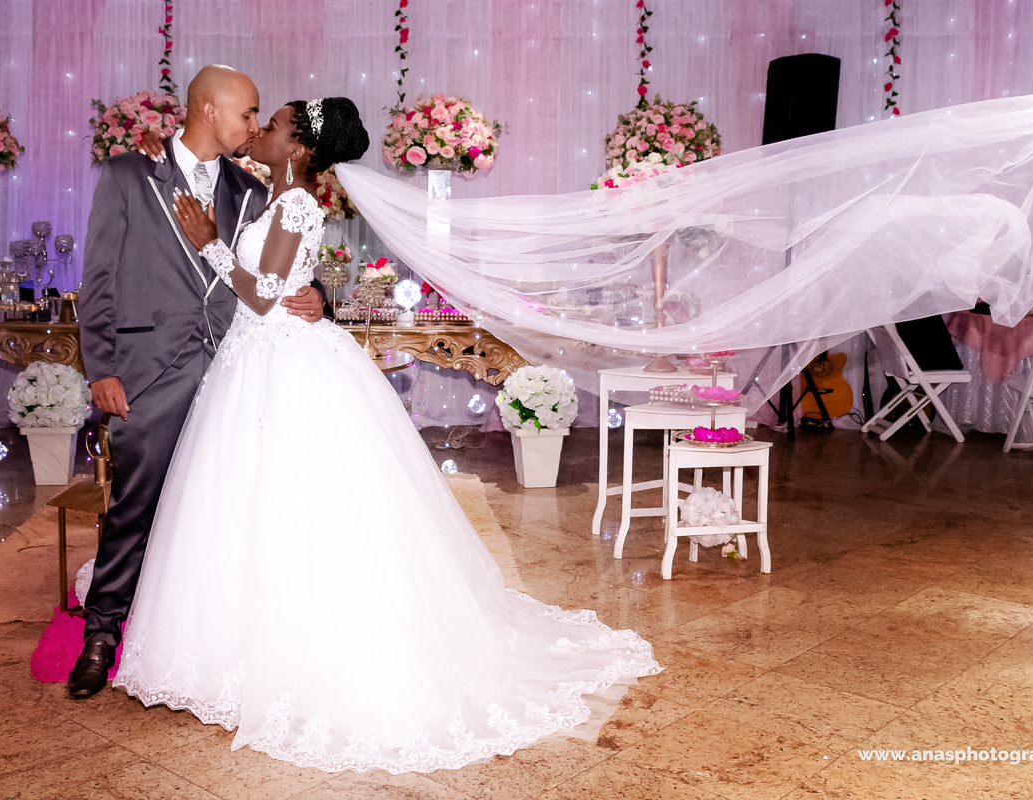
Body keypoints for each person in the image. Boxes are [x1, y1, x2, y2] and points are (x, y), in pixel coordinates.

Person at [110, 96, 662, 773]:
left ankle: (300, 653)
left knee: (295, 503)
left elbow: (260, 295)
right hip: (254, 359)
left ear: (300, 148)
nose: (260, 131)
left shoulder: (297, 203)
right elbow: (280, 279)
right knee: (243, 505)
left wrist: (209, 243)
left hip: (279, 363)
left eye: (273, 125)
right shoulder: (270, 193)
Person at [73, 65, 327, 699]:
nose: (255, 125)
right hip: (150, 371)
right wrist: (102, 367)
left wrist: (319, 294)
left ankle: (200, 640)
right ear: (210, 110)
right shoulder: (129, 174)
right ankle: (101, 634)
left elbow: (278, 265)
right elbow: (97, 278)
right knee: (134, 507)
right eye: (248, 113)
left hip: (234, 373)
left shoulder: (251, 188)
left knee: (218, 511)